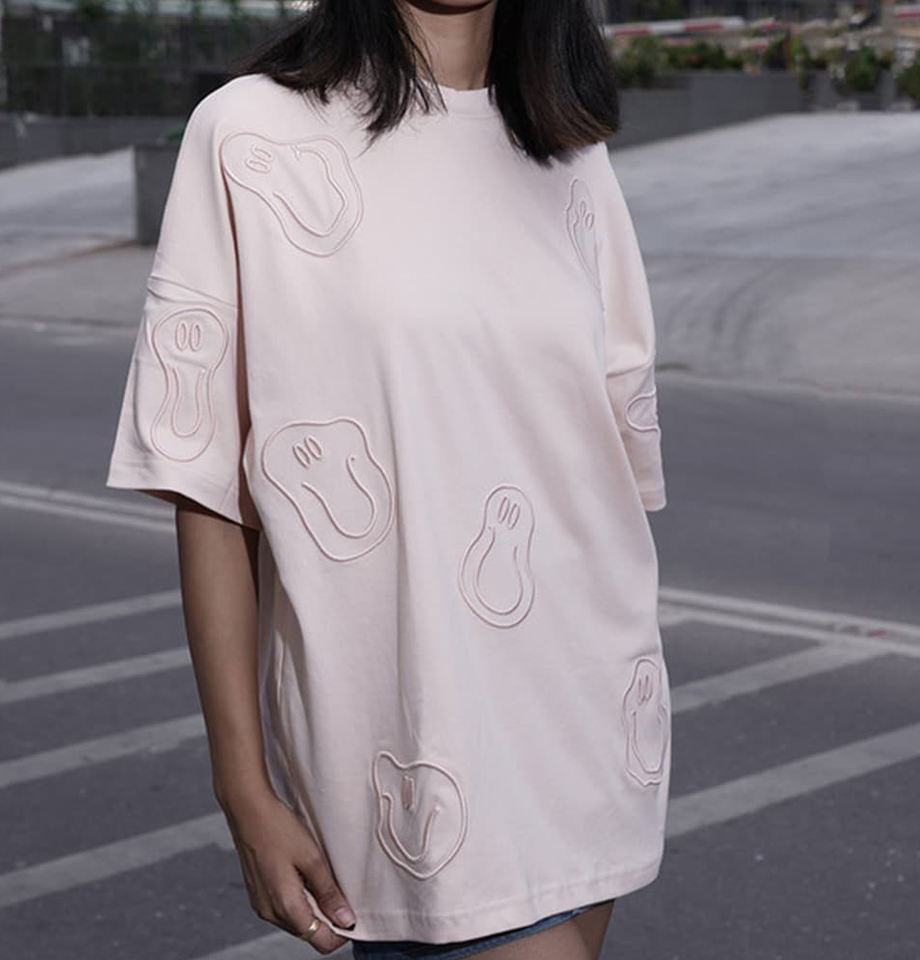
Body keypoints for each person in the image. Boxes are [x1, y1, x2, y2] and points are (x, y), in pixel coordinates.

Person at [104, 1, 672, 957]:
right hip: (413, 737)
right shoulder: (246, 131)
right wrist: (241, 784)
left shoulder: (572, 152)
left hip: (591, 712)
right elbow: (205, 485)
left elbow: (607, 466)